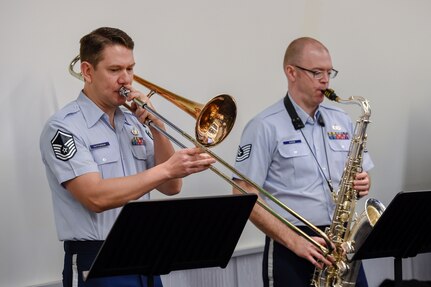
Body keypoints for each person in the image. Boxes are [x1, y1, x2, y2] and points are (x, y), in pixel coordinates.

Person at [39, 27, 215, 287]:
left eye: (130, 69)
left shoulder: (134, 121)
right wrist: (167, 169)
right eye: (114, 70)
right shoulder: (64, 128)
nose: (126, 79)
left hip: (144, 253)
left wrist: (159, 129)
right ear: (87, 71)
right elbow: (95, 197)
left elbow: (171, 187)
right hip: (96, 257)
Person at [232, 37, 372, 286]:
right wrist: (293, 240)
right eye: (317, 72)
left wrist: (363, 182)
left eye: (330, 72)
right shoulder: (264, 126)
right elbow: (243, 193)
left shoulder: (342, 119)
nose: (325, 80)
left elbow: (359, 173)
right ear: (291, 72)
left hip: (341, 242)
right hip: (292, 245)